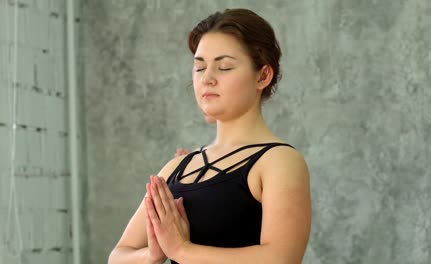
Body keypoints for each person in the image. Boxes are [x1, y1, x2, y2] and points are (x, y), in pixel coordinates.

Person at [108, 8, 311, 264]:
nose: (207, 78)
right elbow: (118, 256)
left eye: (224, 67)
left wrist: (181, 250)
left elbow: (280, 259)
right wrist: (152, 254)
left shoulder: (280, 162)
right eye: (199, 67)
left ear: (262, 76)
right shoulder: (176, 168)